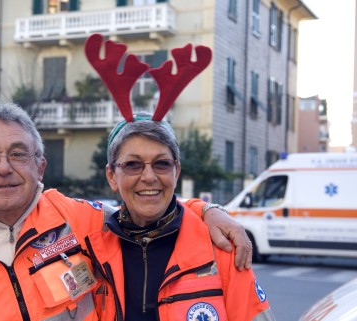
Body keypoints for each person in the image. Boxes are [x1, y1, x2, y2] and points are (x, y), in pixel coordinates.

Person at [0, 101, 251, 321]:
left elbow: (143, 201)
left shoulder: (77, 219)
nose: (3, 168)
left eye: (18, 154)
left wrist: (207, 210)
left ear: (40, 167)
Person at [85, 113, 276, 321]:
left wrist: (208, 210)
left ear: (176, 172)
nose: (149, 177)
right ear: (112, 176)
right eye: (133, 164)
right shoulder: (90, 249)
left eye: (161, 164)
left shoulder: (221, 248)